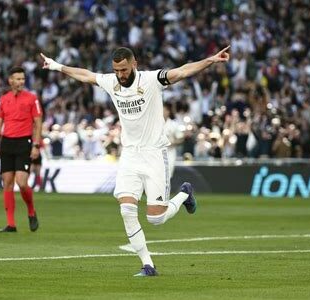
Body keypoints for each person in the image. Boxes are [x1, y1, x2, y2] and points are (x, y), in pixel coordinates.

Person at [41, 45, 230, 276]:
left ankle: (184, 194)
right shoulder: (111, 82)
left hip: (154, 153)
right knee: (127, 211)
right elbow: (85, 75)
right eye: (116, 70)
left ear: (134, 64)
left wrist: (210, 60)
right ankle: (148, 265)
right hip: (130, 154)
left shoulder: (151, 80)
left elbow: (181, 71)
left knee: (156, 218)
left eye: (123, 69)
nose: (120, 75)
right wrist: (56, 65)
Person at [0, 67, 42, 233]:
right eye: (18, 79)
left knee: (22, 182)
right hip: (7, 143)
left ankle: (31, 211)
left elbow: (38, 124)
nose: (21, 82)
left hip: (24, 143)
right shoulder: (3, 100)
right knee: (7, 183)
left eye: (23, 79)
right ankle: (11, 224)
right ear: (10, 81)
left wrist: (35, 145)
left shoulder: (32, 98)